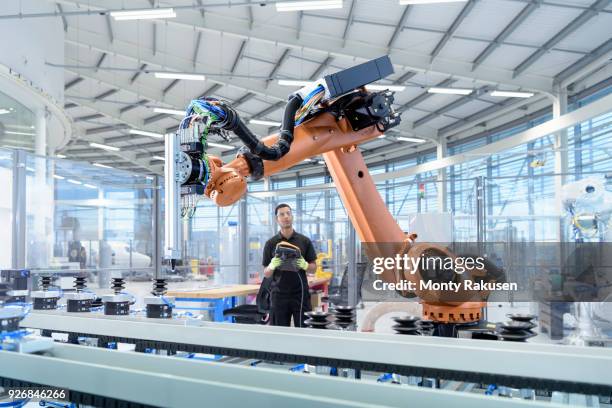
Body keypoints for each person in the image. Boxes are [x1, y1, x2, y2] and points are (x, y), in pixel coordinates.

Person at [262, 203, 316, 327]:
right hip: (278, 295)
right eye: (282, 214)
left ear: (292, 216)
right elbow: (266, 273)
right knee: (279, 334)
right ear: (277, 219)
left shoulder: (304, 241)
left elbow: (314, 269)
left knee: (304, 331)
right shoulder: (270, 243)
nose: (286, 216)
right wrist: (271, 266)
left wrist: (305, 265)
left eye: (288, 213)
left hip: (300, 294)